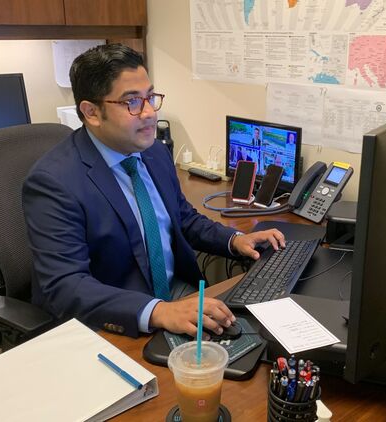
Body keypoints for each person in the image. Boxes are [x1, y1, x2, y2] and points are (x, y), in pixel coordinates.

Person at [23, 44, 285, 338]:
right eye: (132, 102)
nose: (149, 112)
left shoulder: (154, 151)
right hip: (114, 317)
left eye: (150, 97)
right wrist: (158, 311)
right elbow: (65, 286)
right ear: (91, 112)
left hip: (175, 295)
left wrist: (234, 240)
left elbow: (182, 218)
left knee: (256, 337)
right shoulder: (53, 182)